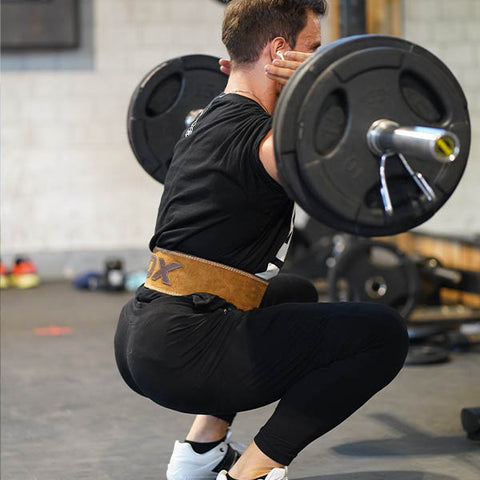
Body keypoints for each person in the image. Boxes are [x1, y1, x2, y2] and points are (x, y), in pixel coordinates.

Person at [114, 1, 409, 479]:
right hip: (186, 352)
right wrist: (327, 85)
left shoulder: (202, 121)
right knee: (383, 334)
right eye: (313, 50)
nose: (318, 59)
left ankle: (199, 454)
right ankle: (250, 472)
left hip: (141, 331)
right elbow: (355, 188)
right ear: (280, 52)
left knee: (294, 292)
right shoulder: (267, 140)